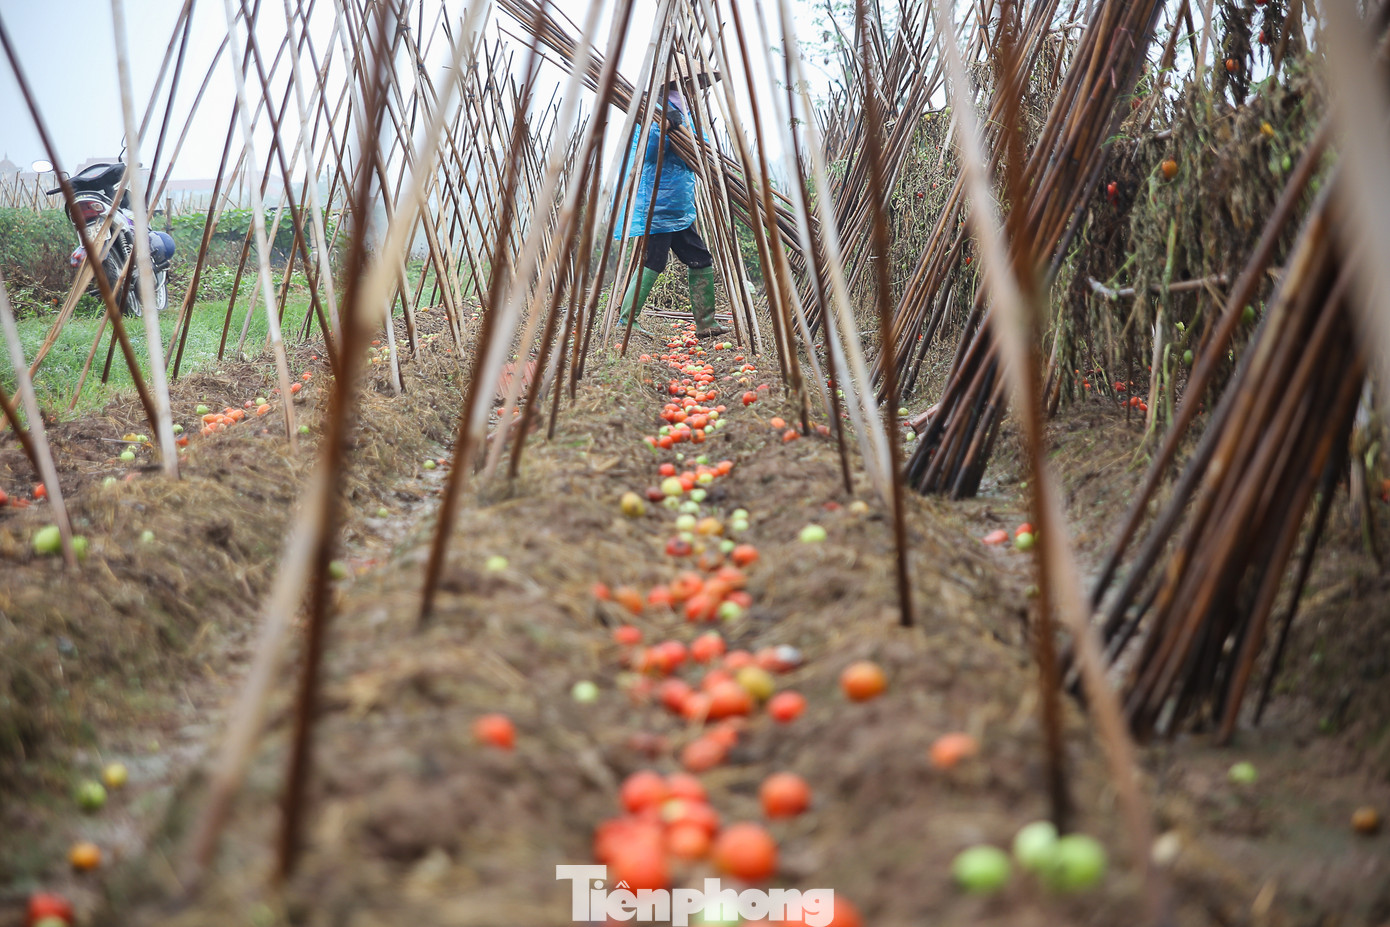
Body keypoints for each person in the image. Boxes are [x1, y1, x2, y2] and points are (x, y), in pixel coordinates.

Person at [615, 53, 729, 341]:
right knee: (654, 260)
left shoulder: (687, 113)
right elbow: (649, 151)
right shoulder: (651, 112)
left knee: (700, 257)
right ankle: (626, 321)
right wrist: (666, 126)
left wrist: (687, 132)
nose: (688, 89)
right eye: (684, 83)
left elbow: (696, 155)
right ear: (672, 85)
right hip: (657, 205)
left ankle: (706, 323)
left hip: (679, 206)